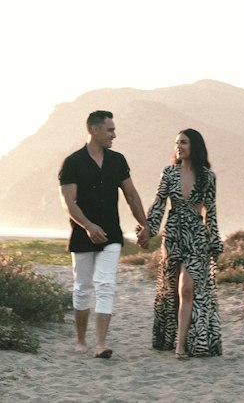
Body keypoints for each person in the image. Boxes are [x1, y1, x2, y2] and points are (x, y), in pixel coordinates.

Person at [58, 109, 150, 359]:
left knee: (106, 284)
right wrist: (88, 226)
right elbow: (69, 202)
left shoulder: (118, 160)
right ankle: (80, 339)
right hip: (82, 236)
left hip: (111, 235)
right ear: (94, 130)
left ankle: (100, 343)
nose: (114, 135)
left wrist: (145, 225)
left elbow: (131, 195)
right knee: (82, 288)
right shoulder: (73, 162)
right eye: (110, 130)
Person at [145, 127, 223, 358]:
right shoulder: (168, 173)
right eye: (177, 142)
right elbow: (159, 204)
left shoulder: (208, 176)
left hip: (197, 236)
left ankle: (181, 345)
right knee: (172, 291)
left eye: (184, 142)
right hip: (173, 234)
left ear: (194, 146)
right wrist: (147, 230)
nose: (179, 146)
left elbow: (212, 212)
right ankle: (177, 338)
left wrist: (215, 240)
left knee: (187, 288)